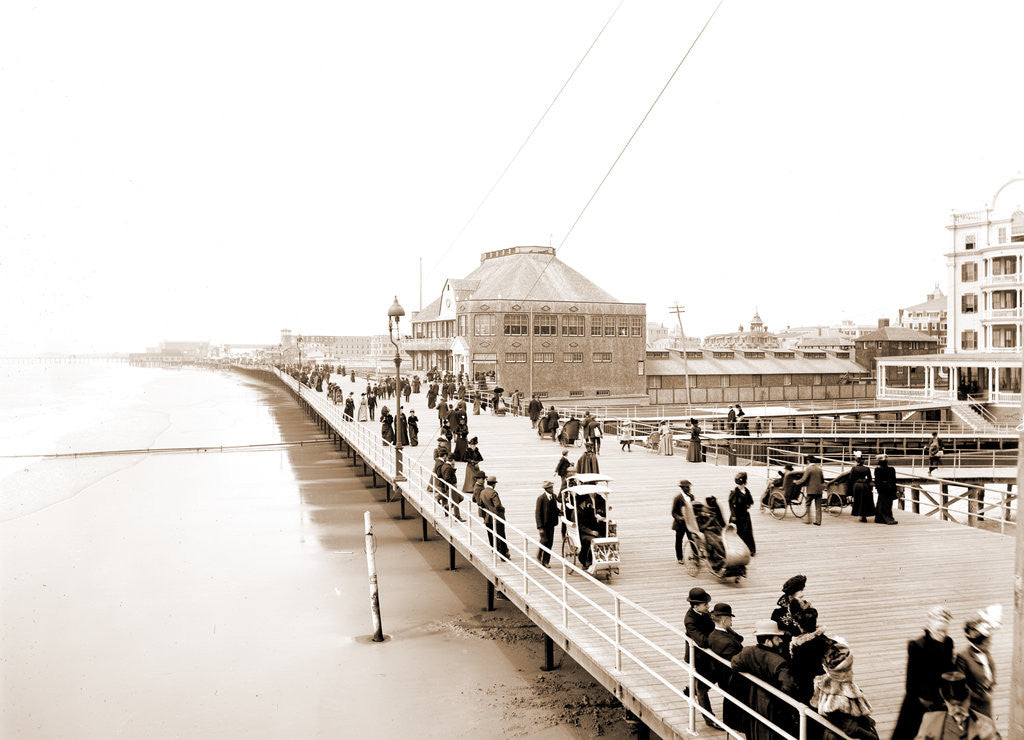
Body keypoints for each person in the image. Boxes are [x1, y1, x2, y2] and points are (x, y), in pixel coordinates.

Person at [892, 606, 955, 740]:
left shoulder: (948, 643)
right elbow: (910, 683)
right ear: (930, 627)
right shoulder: (917, 646)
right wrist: (922, 701)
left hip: (939, 700)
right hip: (918, 702)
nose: (942, 634)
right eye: (939, 630)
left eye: (945, 631)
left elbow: (949, 670)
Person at [730, 620, 798, 740]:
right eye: (777, 639)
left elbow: (735, 664)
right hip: (772, 707)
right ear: (767, 641)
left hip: (753, 700)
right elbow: (789, 687)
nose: (781, 641)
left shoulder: (748, 651)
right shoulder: (779, 662)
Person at [810, 641, 879, 740]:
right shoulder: (840, 696)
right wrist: (871, 737)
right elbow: (850, 728)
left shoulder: (825, 683)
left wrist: (866, 719)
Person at [916, 671, 1000, 740]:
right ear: (945, 701)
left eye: (960, 704)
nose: (957, 709)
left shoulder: (985, 722)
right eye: (952, 705)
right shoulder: (930, 720)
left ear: (968, 699)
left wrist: (991, 738)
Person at [955, 605, 1002, 720]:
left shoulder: (986, 653)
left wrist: (991, 684)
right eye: (987, 640)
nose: (990, 642)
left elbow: (991, 669)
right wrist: (979, 697)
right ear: (979, 642)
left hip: (986, 704)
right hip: (972, 707)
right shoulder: (963, 657)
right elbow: (961, 686)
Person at [706, 603, 745, 734]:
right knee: (734, 700)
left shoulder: (713, 635)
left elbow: (739, 638)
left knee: (730, 700)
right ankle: (734, 724)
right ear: (723, 620)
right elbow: (737, 659)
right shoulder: (726, 642)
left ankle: (732, 722)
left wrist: (729, 629)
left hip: (722, 675)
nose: (732, 621)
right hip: (730, 677)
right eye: (730, 618)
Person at [683, 587, 718, 729]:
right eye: (705, 604)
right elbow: (701, 641)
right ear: (695, 606)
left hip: (708, 656)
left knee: (712, 678)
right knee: (703, 688)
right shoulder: (690, 620)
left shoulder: (705, 614)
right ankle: (709, 718)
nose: (708, 606)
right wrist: (717, 638)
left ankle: (691, 690)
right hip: (697, 656)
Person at [789, 607, 834, 703]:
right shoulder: (824, 640)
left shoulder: (800, 647)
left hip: (811, 689)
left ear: (800, 627)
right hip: (829, 685)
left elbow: (798, 672)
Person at [771, 574, 809, 658]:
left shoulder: (807, 609)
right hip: (788, 651)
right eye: (800, 597)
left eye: (803, 596)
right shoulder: (778, 614)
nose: (803, 599)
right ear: (791, 598)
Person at [479, 476, 510, 559]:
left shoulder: (482, 492)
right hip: (497, 517)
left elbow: (480, 504)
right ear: (493, 484)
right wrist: (503, 509)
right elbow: (498, 505)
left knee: (491, 534)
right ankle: (503, 555)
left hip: (488, 517)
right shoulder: (493, 493)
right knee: (501, 535)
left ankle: (494, 550)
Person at [728, 471, 756, 556]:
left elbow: (751, 501)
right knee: (737, 533)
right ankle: (736, 549)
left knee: (747, 532)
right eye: (739, 484)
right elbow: (731, 504)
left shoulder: (747, 491)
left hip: (745, 515)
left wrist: (748, 505)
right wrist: (733, 515)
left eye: (742, 484)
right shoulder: (734, 493)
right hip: (736, 516)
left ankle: (750, 549)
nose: (741, 486)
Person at [794, 455, 825, 525]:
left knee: (808, 504)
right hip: (819, 490)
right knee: (818, 506)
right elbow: (822, 480)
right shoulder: (819, 469)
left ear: (808, 461)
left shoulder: (809, 469)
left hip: (811, 490)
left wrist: (796, 482)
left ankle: (808, 520)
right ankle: (818, 521)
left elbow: (803, 479)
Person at [535, 481, 560, 566]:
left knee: (550, 542)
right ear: (546, 489)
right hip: (544, 525)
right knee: (544, 540)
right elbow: (538, 513)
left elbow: (555, 509)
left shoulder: (553, 497)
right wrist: (540, 527)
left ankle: (545, 560)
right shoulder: (541, 498)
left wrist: (560, 512)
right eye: (550, 488)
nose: (552, 489)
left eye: (552, 487)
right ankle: (541, 558)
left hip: (551, 524)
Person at [672, 480, 696, 564]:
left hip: (689, 523)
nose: (689, 489)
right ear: (682, 488)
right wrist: (680, 518)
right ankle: (680, 558)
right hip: (680, 524)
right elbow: (673, 512)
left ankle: (695, 556)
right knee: (679, 540)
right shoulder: (678, 498)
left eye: (689, 487)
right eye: (687, 487)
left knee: (692, 539)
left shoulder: (692, 497)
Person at [575, 495, 601, 572]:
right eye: (584, 501)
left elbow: (591, 521)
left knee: (600, 537)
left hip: (587, 531)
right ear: (582, 502)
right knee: (593, 540)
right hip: (581, 533)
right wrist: (591, 532)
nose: (586, 502)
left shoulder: (586, 510)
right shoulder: (576, 512)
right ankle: (586, 560)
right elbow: (580, 527)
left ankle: (596, 558)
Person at [848, 454, 875, 523]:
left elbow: (851, 479)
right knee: (865, 501)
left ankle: (859, 514)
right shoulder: (867, 468)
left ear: (857, 461)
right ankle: (864, 516)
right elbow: (869, 479)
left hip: (857, 485)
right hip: (865, 485)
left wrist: (850, 490)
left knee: (858, 500)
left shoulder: (854, 468)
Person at [873, 454, 897, 525]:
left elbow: (877, 480)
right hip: (889, 488)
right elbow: (893, 480)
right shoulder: (891, 469)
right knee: (888, 504)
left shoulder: (877, 470)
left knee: (881, 503)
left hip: (882, 488)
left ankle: (880, 518)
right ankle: (887, 517)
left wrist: (878, 488)